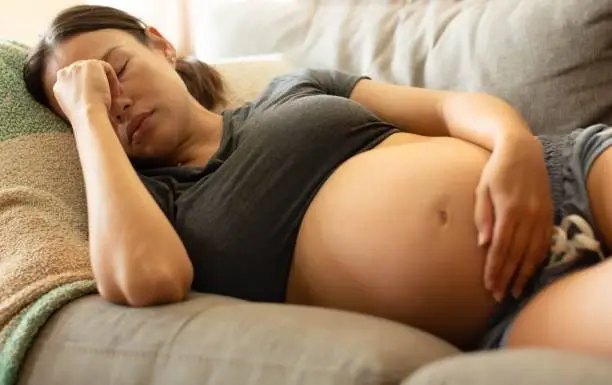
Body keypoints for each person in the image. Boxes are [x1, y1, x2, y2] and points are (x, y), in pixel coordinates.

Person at [23, 5, 612, 354]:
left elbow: (452, 108)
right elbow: (147, 280)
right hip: (505, 305)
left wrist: (513, 147)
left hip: (563, 170)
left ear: (161, 44)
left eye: (115, 70)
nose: (116, 101)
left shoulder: (294, 89)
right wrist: (89, 117)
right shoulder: (155, 205)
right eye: (95, 100)